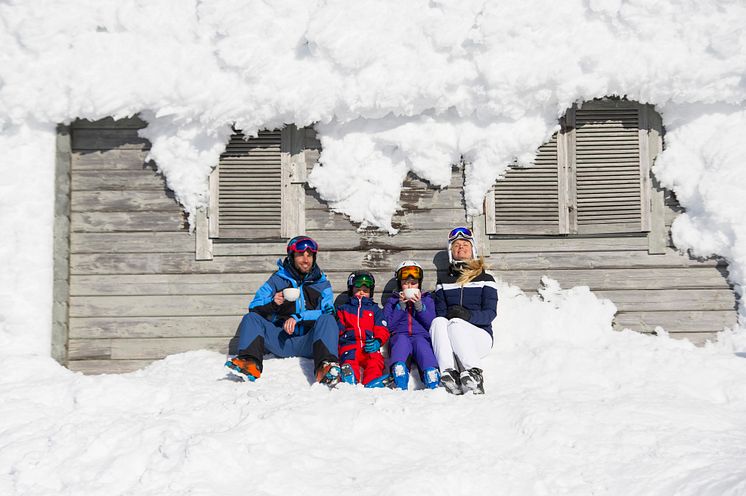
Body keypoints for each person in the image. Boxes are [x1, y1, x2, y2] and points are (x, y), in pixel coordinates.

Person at [225, 235, 341, 385]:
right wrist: (273, 303)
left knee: (328, 320)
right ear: (291, 256)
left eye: (310, 255)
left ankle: (326, 368)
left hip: (310, 342)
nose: (306, 259)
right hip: (281, 340)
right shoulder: (276, 280)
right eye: (301, 255)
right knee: (251, 318)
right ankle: (250, 363)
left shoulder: (322, 284)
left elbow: (328, 312)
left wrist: (299, 316)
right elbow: (254, 306)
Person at [430, 227, 497, 395]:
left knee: (456, 324)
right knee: (438, 322)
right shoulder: (443, 281)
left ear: (472, 249)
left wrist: (468, 316)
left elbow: (490, 313)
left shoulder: (485, 279)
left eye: (465, 244)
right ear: (451, 251)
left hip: (479, 338)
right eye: (456, 245)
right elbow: (441, 313)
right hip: (453, 337)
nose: (461, 247)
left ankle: (475, 374)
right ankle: (449, 372)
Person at [383, 260, 440, 390]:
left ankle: (431, 374)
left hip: (421, 336)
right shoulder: (392, 301)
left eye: (413, 284)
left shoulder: (427, 299)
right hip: (400, 335)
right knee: (400, 344)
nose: (409, 287)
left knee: (423, 348)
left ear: (419, 284)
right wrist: (400, 306)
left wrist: (420, 307)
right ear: (399, 284)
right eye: (405, 284)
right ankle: (399, 374)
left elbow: (432, 323)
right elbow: (388, 325)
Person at [336, 271, 391, 388]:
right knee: (349, 359)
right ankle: (349, 377)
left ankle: (372, 381)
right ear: (351, 290)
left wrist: (378, 341)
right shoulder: (343, 309)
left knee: (375, 361)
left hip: (369, 345)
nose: (361, 293)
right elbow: (338, 330)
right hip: (350, 345)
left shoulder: (375, 310)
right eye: (358, 289)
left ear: (370, 292)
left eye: (365, 290)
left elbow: (382, 328)